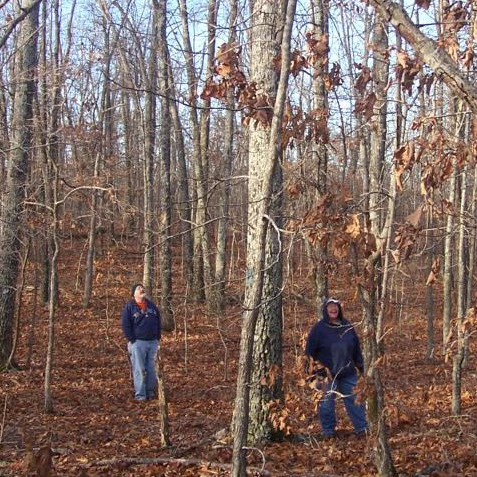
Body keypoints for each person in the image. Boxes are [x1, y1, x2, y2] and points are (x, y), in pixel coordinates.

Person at [304, 297, 368, 437]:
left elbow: (356, 348)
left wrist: (362, 367)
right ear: (325, 310)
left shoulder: (347, 325)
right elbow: (309, 352)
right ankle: (328, 432)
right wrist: (311, 372)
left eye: (336, 306)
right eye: (330, 307)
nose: (333, 309)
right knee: (326, 403)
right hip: (326, 374)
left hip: (347, 372)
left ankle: (362, 428)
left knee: (355, 400)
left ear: (339, 309)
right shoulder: (319, 329)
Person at [121, 283, 162, 401]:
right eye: (139, 288)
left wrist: (157, 337)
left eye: (142, 287)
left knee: (152, 368)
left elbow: (158, 321)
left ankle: (150, 392)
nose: (142, 289)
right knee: (139, 368)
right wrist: (132, 339)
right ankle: (140, 395)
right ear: (133, 293)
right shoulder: (130, 307)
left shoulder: (152, 306)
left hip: (153, 342)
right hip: (138, 343)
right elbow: (125, 324)